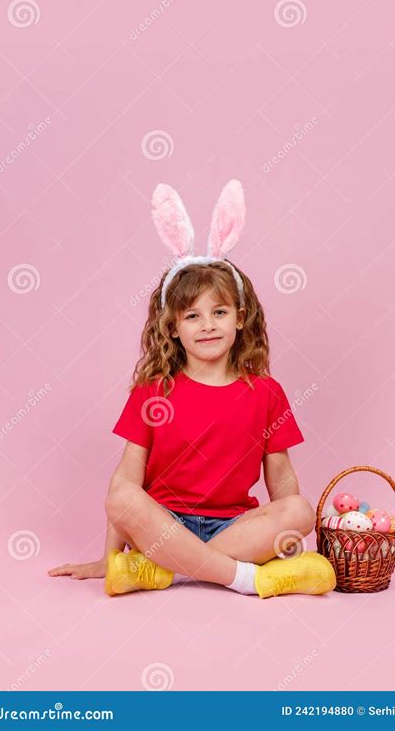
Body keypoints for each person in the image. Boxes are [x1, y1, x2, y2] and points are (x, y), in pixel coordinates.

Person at [47, 180, 336, 598]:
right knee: (123, 497)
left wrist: (288, 538)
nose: (207, 325)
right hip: (163, 523)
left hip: (235, 526)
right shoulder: (154, 391)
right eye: (192, 316)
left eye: (219, 312)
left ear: (240, 319)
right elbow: (126, 480)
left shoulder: (266, 392)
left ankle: (164, 570)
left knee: (300, 509)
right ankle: (243, 579)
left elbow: (282, 479)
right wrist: (107, 559)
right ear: (173, 328)